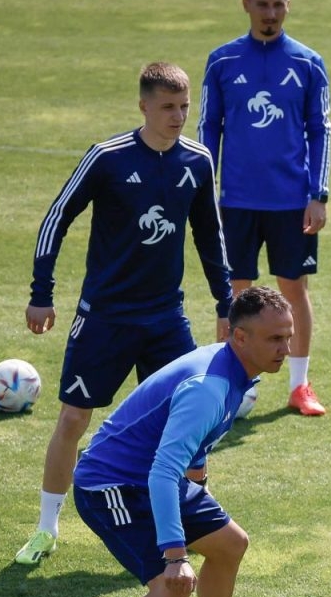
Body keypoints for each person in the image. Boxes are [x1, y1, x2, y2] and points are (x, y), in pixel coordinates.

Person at [15, 62, 234, 567]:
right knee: (74, 418)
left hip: (165, 319)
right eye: (168, 107)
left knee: (192, 417)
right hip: (105, 317)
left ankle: (194, 522)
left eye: (184, 107)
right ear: (143, 106)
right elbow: (56, 219)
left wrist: (225, 306)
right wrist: (41, 292)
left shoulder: (198, 160)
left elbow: (210, 236)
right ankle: (46, 529)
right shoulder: (107, 157)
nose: (178, 116)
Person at [71, 286, 293, 597]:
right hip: (112, 485)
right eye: (275, 339)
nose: (285, 349)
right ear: (240, 336)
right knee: (173, 586)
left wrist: (200, 488)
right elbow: (161, 471)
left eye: (288, 337)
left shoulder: (233, 369)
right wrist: (175, 555)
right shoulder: (209, 387)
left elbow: (192, 444)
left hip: (155, 477)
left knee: (230, 544)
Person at [199, 0, 331, 416]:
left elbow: (320, 130)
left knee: (294, 289)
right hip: (235, 200)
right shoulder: (222, 61)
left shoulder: (308, 63)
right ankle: (229, 386)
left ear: (288, 5)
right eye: (263, 4)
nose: (270, 13)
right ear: (247, 5)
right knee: (235, 293)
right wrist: (203, 190)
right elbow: (208, 128)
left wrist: (319, 194)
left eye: (278, 4)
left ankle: (299, 386)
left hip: (291, 201)